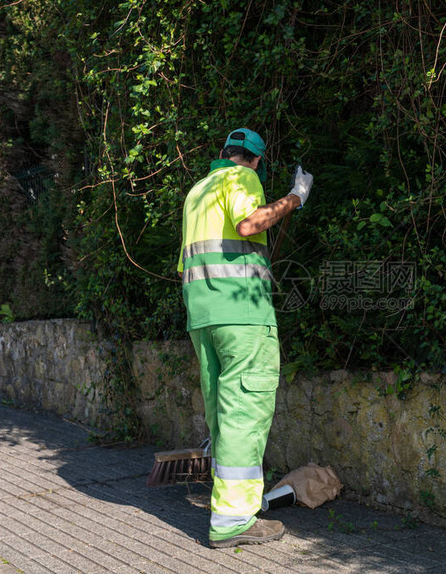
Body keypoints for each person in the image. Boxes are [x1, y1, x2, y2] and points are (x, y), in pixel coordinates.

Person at [177, 128, 313, 548]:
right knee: (245, 411)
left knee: (223, 412)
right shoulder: (241, 177)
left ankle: (227, 505)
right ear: (255, 160)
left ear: (223, 152)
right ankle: (234, 521)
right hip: (242, 317)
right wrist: (295, 198)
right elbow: (250, 221)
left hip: (203, 316)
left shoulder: (197, 191)